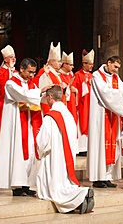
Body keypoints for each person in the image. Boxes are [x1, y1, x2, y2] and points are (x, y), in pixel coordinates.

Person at [0, 58, 50, 196]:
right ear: (22, 69)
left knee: (31, 152)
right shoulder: (11, 83)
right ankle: (17, 185)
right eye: (29, 72)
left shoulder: (31, 85)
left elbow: (36, 98)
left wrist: (47, 95)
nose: (31, 75)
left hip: (31, 123)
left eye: (34, 73)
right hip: (18, 125)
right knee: (19, 152)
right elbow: (23, 95)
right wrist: (39, 92)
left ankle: (26, 184)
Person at [36, 85, 94, 214]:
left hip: (54, 157)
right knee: (64, 182)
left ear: (50, 97)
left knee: (55, 189)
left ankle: (80, 195)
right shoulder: (68, 115)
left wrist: (39, 138)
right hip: (67, 156)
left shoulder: (50, 117)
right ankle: (80, 197)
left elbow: (43, 141)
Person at [87, 56, 123, 188]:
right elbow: (105, 92)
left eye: (118, 68)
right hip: (100, 115)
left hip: (113, 116)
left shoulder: (116, 78)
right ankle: (98, 177)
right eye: (115, 67)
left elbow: (122, 91)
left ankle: (107, 176)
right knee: (100, 144)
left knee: (113, 144)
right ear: (108, 63)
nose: (116, 70)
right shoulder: (96, 76)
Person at [0, 45, 17, 154]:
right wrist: (9, 73)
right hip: (3, 102)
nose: (14, 59)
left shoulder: (16, 72)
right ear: (5, 59)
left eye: (14, 57)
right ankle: (0, 150)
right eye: (11, 57)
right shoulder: (1, 71)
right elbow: (0, 84)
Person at [72, 49, 94, 156]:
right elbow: (74, 88)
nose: (91, 67)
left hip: (90, 104)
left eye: (92, 64)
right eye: (89, 64)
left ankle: (88, 147)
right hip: (81, 104)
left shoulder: (92, 76)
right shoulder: (77, 74)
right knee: (82, 123)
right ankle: (81, 148)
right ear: (84, 64)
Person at [35, 42, 67, 114]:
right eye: (58, 61)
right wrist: (45, 74)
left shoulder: (56, 73)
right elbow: (39, 86)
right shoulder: (45, 71)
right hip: (48, 105)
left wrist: (65, 88)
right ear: (52, 62)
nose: (60, 64)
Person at [59, 51, 78, 123]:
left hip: (72, 102)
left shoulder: (71, 75)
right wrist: (67, 87)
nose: (73, 67)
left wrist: (75, 90)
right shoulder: (59, 75)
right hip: (65, 103)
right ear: (64, 65)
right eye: (71, 65)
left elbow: (74, 87)